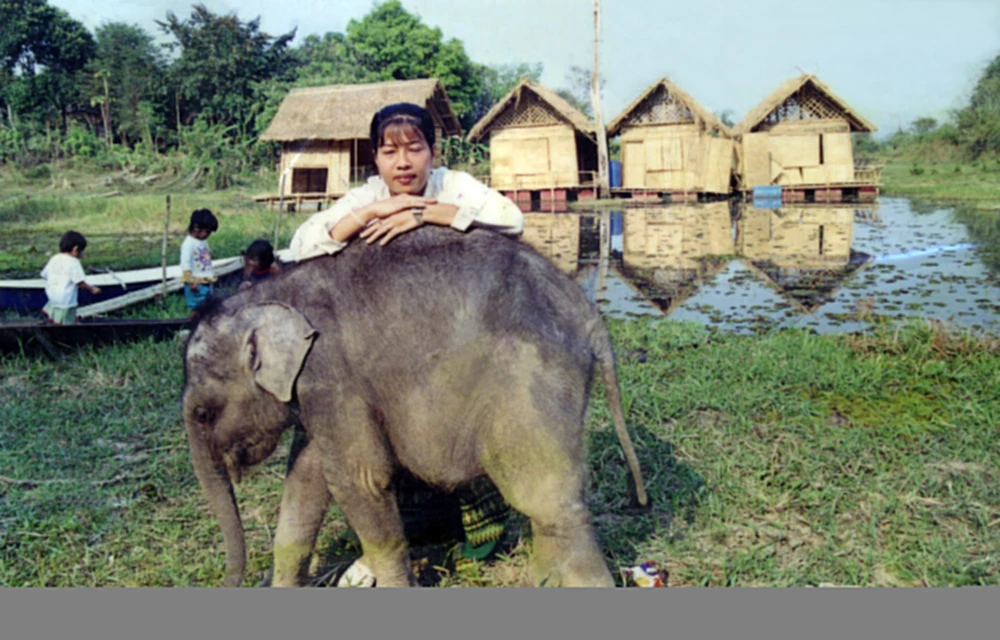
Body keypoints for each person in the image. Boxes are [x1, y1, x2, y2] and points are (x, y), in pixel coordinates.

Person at [288, 102, 524, 587]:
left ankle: (480, 531)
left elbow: (511, 220)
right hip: (387, 342)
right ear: (374, 158)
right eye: (389, 152)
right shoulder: (368, 195)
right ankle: (392, 536)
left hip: (455, 337)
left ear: (432, 152)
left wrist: (426, 214)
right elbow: (302, 246)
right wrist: (372, 213)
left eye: (414, 149)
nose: (403, 163)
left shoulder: (452, 185)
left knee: (465, 427)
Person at [40, 230, 102, 325]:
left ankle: (53, 324)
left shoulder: (55, 258)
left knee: (56, 313)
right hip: (67, 300)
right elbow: (80, 282)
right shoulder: (73, 262)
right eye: (81, 251)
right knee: (67, 320)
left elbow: (44, 275)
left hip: (53, 297)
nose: (82, 255)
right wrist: (92, 289)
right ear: (75, 249)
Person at [180, 208, 218, 313]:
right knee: (197, 308)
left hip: (207, 281)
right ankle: (192, 322)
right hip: (196, 284)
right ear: (196, 228)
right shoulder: (188, 244)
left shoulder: (202, 241)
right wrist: (191, 282)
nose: (209, 235)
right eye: (208, 231)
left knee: (209, 308)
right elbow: (185, 264)